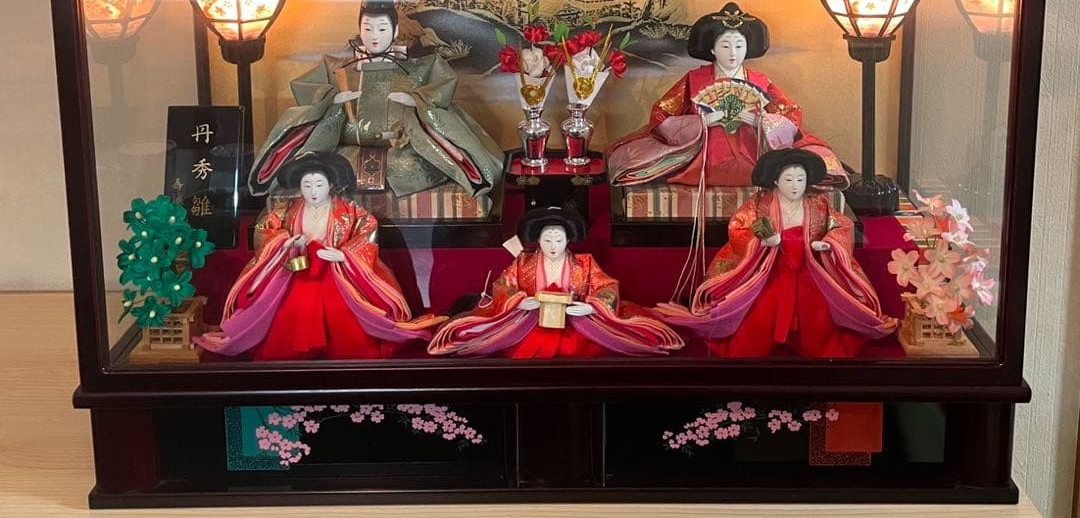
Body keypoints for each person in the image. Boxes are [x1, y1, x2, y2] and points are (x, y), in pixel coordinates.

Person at [249, 0, 503, 201]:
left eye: (382, 29)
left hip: (401, 151)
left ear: (395, 31)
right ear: (359, 28)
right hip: (348, 150)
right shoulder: (337, 68)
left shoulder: (421, 67)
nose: (374, 36)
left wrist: (416, 100)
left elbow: (442, 89)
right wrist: (331, 100)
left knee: (410, 167)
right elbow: (307, 92)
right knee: (331, 168)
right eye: (367, 28)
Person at [195, 152, 444, 360]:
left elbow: (367, 230)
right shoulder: (287, 211)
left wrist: (344, 255)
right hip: (297, 271)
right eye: (307, 185)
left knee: (343, 321)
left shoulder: (349, 211)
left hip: (336, 275)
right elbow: (265, 230)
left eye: (319, 185)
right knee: (287, 317)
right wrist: (285, 242)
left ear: (330, 185)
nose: (313, 191)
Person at [656, 149, 896, 357]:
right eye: (789, 179)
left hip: (809, 270)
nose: (795, 185)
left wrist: (829, 244)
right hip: (770, 270)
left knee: (817, 320)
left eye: (800, 179)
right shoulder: (759, 203)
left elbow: (841, 225)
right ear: (776, 181)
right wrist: (762, 241)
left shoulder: (817, 203)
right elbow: (739, 227)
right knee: (759, 318)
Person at [607, 2, 847, 189]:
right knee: (629, 159)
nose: (733, 53)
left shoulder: (760, 81)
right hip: (702, 154)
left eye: (739, 46)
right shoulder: (694, 79)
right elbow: (662, 115)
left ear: (748, 48)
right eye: (725, 46)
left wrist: (761, 121)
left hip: (754, 152)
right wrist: (701, 122)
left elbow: (791, 115)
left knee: (818, 160)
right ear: (712, 49)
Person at [428, 207, 684, 358]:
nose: (553, 246)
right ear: (538, 241)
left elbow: (606, 286)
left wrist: (591, 306)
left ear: (568, 240)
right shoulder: (523, 262)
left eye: (559, 240)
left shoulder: (584, 262)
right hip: (530, 323)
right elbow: (502, 285)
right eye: (547, 240)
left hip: (575, 324)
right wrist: (519, 301)